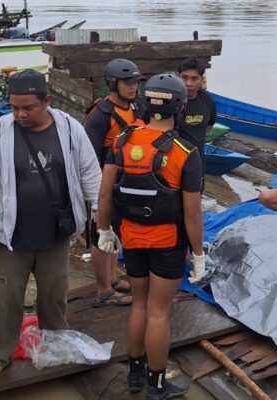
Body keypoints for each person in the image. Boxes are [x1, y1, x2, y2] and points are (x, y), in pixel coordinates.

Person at [0, 70, 101, 379]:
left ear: (46, 101)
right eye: (14, 107)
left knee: (54, 293)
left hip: (56, 232)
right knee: (2, 296)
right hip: (10, 235)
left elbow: (90, 174)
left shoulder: (70, 129)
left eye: (28, 107)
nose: (20, 114)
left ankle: (57, 344)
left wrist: (101, 217)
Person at [95, 74, 204, 399]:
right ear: (180, 108)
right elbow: (192, 214)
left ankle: (135, 373)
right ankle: (157, 385)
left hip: (131, 237)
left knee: (139, 305)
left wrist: (104, 230)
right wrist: (198, 254)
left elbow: (105, 194)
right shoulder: (186, 152)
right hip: (167, 242)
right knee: (159, 312)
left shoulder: (122, 141)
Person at [83, 58, 145, 307]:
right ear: (112, 84)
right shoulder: (100, 115)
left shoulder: (135, 107)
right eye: (127, 83)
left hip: (125, 183)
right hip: (103, 186)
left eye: (135, 82)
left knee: (115, 233)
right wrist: (97, 194)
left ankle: (111, 278)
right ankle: (103, 291)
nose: (133, 87)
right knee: (102, 234)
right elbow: (87, 156)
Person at [177, 57, 216, 178]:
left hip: (197, 160)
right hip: (173, 160)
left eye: (194, 79)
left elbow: (209, 125)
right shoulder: (170, 100)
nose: (188, 83)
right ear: (178, 77)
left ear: (202, 80)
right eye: (184, 77)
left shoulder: (208, 100)